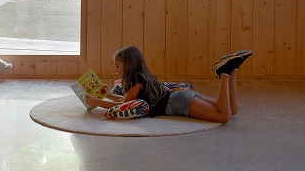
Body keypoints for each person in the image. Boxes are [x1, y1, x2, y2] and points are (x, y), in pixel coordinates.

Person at [84, 46, 252, 123]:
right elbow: (125, 99)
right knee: (232, 109)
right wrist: (106, 94)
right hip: (181, 96)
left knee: (224, 116)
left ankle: (224, 73)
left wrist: (98, 103)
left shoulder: (136, 79)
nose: (115, 70)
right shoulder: (142, 76)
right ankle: (232, 69)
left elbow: (123, 104)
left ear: (128, 65)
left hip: (179, 102)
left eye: (117, 66)